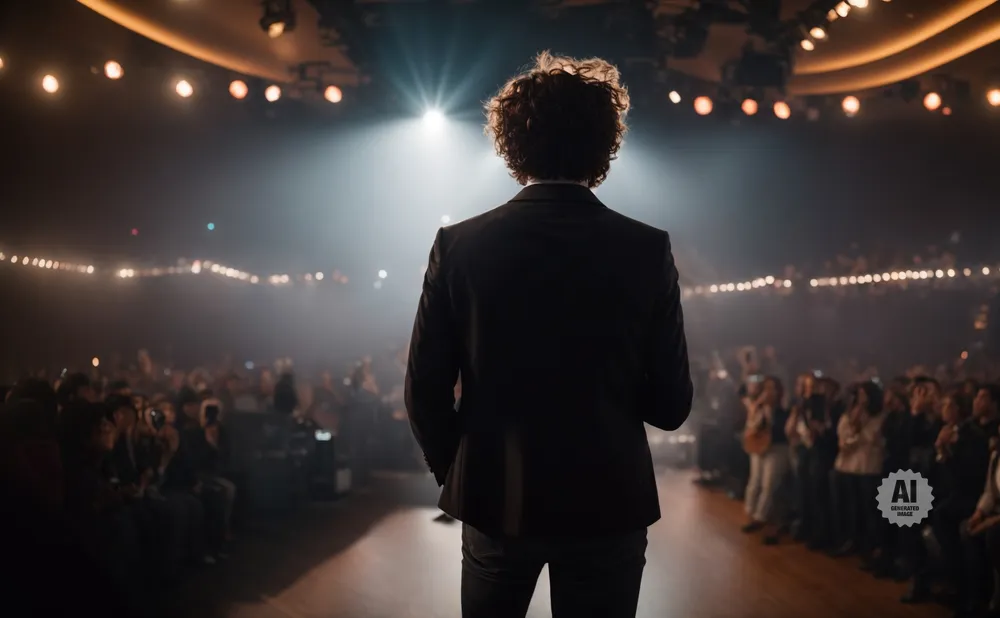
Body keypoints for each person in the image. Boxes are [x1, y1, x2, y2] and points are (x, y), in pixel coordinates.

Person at [404, 51, 693, 618]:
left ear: (511, 144)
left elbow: (423, 392)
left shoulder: (458, 247)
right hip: (610, 502)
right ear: (604, 144)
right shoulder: (645, 249)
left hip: (495, 498)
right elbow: (671, 406)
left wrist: (462, 468)